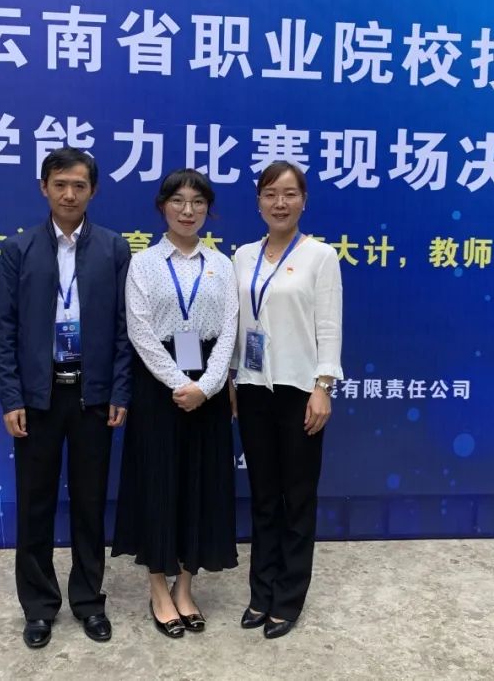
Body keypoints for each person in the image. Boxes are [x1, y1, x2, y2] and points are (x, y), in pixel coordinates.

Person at [0, 147, 132, 649]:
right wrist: (12, 397)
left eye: (79, 185)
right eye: (60, 184)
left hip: (92, 397)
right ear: (43, 187)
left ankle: (89, 602)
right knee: (35, 506)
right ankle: (39, 607)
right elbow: (2, 329)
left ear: (93, 190)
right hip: (38, 398)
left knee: (90, 505)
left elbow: (124, 328)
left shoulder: (113, 248)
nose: (69, 194)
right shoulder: (19, 249)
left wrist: (119, 389)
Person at [113, 169, 239, 639]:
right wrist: (179, 383)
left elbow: (230, 328)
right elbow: (140, 331)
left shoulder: (221, 264)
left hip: (208, 387)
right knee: (158, 483)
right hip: (157, 386)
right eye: (179, 201)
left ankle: (185, 586)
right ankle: (158, 589)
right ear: (162, 206)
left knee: (201, 485)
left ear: (208, 210)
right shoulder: (143, 263)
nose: (188, 211)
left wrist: (207, 386)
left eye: (198, 202)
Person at [230, 160, 343, 639]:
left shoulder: (320, 256)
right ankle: (261, 592)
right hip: (253, 389)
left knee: (296, 498)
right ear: (258, 201)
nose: (280, 203)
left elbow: (329, 326)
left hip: (300, 391)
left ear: (304, 201)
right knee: (263, 497)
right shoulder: (242, 256)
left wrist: (323, 386)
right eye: (271, 194)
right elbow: (237, 324)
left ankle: (289, 597)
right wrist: (232, 378)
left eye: (290, 194)